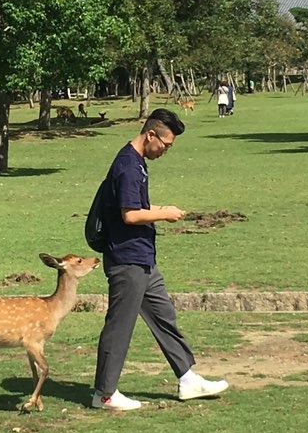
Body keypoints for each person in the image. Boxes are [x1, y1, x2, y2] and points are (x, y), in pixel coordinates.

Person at [92, 108, 229, 411]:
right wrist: (164, 214)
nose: (165, 151)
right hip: (127, 260)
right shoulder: (128, 165)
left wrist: (159, 208)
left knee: (164, 315)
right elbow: (130, 215)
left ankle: (187, 379)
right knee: (120, 325)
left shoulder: (138, 163)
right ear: (150, 135)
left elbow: (134, 205)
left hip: (143, 259)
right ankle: (104, 394)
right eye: (165, 145)